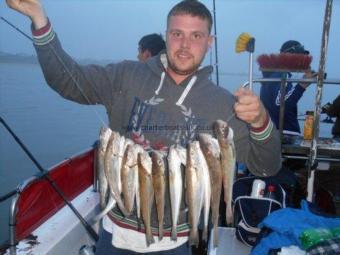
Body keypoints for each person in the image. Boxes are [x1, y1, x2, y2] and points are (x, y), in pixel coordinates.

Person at [6, 0, 281, 254]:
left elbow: (266, 167)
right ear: (166, 35)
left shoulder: (224, 104)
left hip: (175, 241)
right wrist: (39, 19)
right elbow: (67, 80)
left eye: (196, 36)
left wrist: (260, 122)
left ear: (210, 42)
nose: (185, 44)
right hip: (114, 234)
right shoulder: (126, 75)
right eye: (177, 34)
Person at [260, 40, 316, 136]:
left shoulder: (272, 74)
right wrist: (302, 86)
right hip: (285, 134)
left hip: (273, 132)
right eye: (300, 57)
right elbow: (280, 106)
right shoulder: (282, 75)